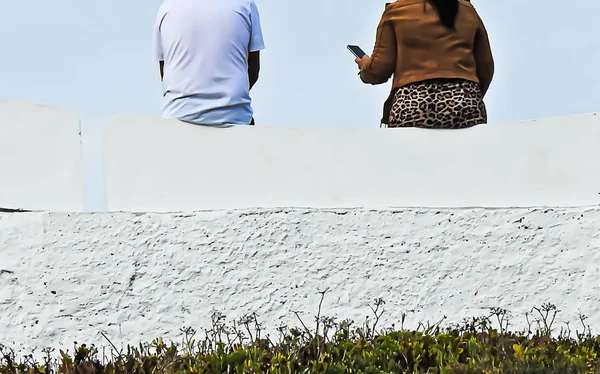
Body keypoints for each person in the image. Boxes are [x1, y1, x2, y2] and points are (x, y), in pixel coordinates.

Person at [355, 0, 494, 128]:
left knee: (410, 155)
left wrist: (364, 64)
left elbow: (378, 70)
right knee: (466, 154)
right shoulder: (467, 9)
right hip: (464, 102)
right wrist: (467, 97)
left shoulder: (396, 10)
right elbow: (486, 66)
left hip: (412, 104)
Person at [153, 0, 265, 126]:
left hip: (178, 115)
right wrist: (224, 102)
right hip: (235, 118)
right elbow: (253, 70)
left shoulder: (167, 7)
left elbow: (165, 71)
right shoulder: (245, 4)